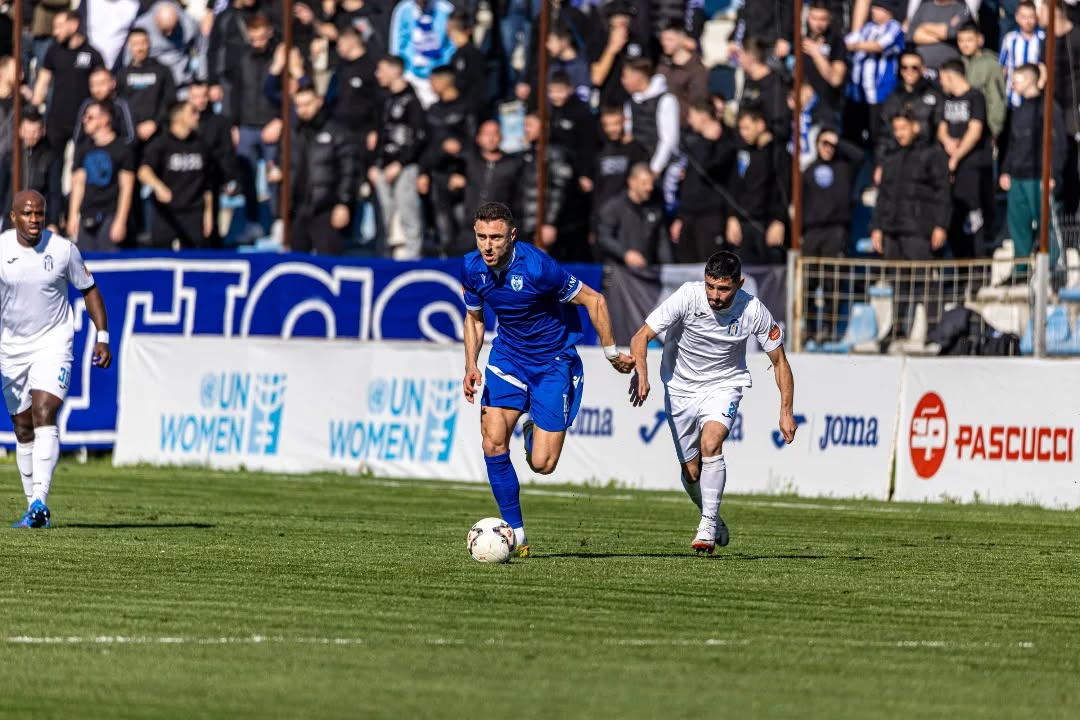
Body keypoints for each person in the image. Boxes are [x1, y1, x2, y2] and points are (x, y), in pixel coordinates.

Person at [461, 202, 634, 557]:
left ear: (512, 236)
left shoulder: (538, 268)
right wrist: (470, 365)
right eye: (481, 237)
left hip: (553, 362)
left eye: (496, 238)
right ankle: (516, 535)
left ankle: (531, 430)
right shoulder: (472, 268)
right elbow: (475, 319)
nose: (487, 246)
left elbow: (595, 301)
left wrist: (611, 353)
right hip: (508, 358)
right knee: (492, 443)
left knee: (543, 464)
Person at [628, 250, 797, 554]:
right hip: (679, 388)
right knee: (691, 472)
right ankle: (712, 515)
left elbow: (780, 362)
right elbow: (641, 336)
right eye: (710, 286)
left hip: (724, 385)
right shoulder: (688, 297)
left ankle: (706, 525)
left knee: (711, 443)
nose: (715, 296)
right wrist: (642, 371)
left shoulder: (753, 310)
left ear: (739, 284)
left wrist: (786, 411)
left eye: (723, 289)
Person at [2, 190, 112, 529]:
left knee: (44, 411)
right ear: (13, 217)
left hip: (53, 343)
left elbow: (89, 289)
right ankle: (31, 508)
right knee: (23, 427)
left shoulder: (63, 250)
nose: (34, 219)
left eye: (39, 213)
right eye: (27, 213)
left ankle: (40, 501)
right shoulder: (2, 249)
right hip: (11, 349)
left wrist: (102, 337)